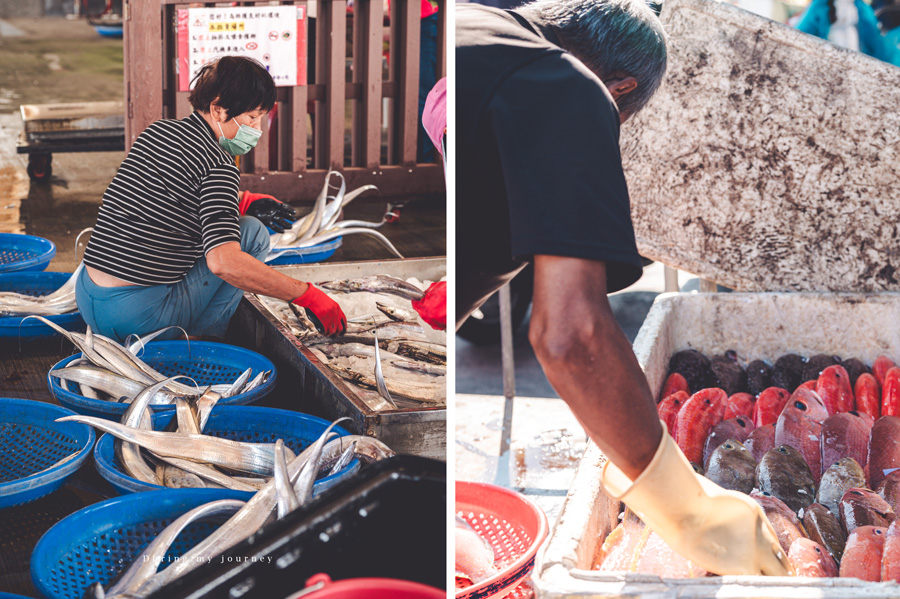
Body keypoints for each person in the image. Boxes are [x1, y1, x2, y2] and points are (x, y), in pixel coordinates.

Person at [457, 0, 790, 576]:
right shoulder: (567, 86)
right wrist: (690, 511)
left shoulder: (471, 28)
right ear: (618, 89)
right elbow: (572, 336)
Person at [76, 56, 347, 342]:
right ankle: (202, 342)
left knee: (239, 226)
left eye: (261, 118)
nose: (257, 129)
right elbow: (223, 263)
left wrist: (244, 201)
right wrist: (308, 295)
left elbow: (169, 192)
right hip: (136, 316)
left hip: (89, 297)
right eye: (251, 117)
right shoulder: (218, 164)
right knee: (252, 234)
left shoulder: (158, 132)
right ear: (218, 109)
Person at [795, 0, 900, 65]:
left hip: (857, 72)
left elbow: (878, 47)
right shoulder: (820, 6)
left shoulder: (862, 9)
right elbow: (799, 37)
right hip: (825, 67)